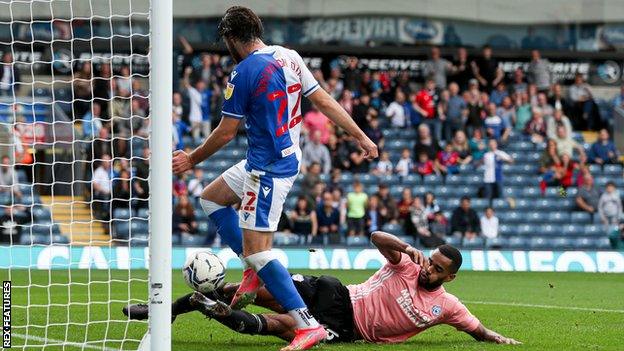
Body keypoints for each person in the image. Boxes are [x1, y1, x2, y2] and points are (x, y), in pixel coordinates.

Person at [171, 7, 378, 349]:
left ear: (232, 38)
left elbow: (225, 132)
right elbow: (324, 101)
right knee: (211, 198)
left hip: (267, 169)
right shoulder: (289, 56)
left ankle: (306, 323)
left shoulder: (243, 72)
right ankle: (253, 271)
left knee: (259, 252)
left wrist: (191, 158)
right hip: (277, 158)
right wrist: (360, 136)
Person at [124, 232, 521, 346]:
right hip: (335, 292)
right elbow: (375, 236)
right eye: (431, 261)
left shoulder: (447, 306)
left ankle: (209, 308)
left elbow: (475, 329)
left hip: (347, 327)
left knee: (281, 325)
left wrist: (499, 339)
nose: (429, 269)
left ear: (449, 278)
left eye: (438, 269)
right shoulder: (406, 266)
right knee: (252, 288)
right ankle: (166, 310)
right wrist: (406, 247)